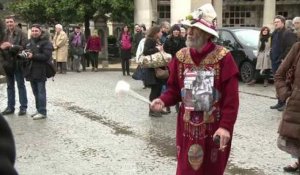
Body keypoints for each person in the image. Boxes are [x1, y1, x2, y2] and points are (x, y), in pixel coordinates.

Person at [150, 3, 239, 175]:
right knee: (185, 170)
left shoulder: (224, 58)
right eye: (188, 27)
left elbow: (231, 99)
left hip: (214, 128)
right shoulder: (181, 57)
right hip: (186, 128)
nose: (189, 32)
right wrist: (163, 100)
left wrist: (226, 126)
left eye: (194, 28)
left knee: (211, 170)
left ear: (207, 34)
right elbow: (173, 90)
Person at [275, 42, 300, 173]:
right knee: (295, 139)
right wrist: (286, 95)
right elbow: (279, 74)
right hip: (297, 106)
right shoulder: (298, 48)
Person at [23, 24, 53, 120]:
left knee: (41, 92)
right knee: (35, 92)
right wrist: (23, 54)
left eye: (36, 31)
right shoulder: (29, 42)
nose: (34, 32)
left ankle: (42, 111)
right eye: (33, 31)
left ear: (41, 32)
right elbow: (25, 51)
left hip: (41, 70)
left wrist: (33, 56)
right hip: (31, 70)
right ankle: (38, 109)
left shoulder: (46, 42)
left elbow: (46, 56)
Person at [0, 15, 28, 116]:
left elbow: (24, 48)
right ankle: (10, 107)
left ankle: (23, 107)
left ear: (14, 22)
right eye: (7, 22)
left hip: (18, 62)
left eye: (11, 22)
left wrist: (11, 46)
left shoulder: (21, 33)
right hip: (7, 63)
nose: (9, 24)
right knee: (9, 86)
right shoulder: (4, 33)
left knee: (20, 85)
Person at [270, 15, 297, 112]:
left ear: (283, 22)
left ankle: (283, 102)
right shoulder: (274, 33)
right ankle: (279, 101)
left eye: (277, 22)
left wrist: (283, 59)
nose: (275, 23)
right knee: (277, 82)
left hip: (282, 62)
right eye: (275, 22)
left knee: (284, 82)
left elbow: (290, 48)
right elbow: (273, 45)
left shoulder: (288, 33)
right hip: (274, 61)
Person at [143, 25, 165, 117]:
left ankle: (158, 108)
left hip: (158, 67)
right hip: (152, 69)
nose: (161, 33)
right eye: (160, 31)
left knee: (159, 90)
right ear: (156, 32)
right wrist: (157, 49)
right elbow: (146, 51)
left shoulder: (156, 40)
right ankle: (152, 110)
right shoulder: (149, 40)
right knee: (154, 91)